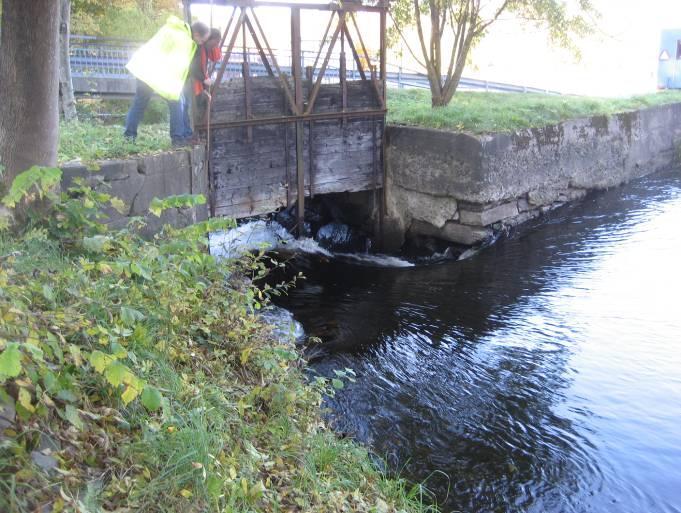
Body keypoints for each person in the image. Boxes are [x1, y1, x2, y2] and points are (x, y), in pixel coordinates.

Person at [124, 18, 210, 146]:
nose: (200, 43)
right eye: (201, 41)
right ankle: (178, 139)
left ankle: (128, 138)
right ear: (196, 34)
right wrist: (176, 89)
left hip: (143, 68)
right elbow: (177, 67)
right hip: (157, 72)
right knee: (177, 102)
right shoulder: (185, 41)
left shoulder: (173, 28)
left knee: (139, 103)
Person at [181, 28, 222, 140]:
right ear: (209, 40)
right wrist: (204, 80)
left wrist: (204, 87)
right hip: (188, 81)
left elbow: (215, 58)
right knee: (186, 107)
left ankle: (188, 134)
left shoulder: (205, 49)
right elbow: (193, 68)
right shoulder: (199, 48)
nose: (215, 46)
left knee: (188, 107)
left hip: (195, 83)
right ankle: (186, 134)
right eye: (215, 43)